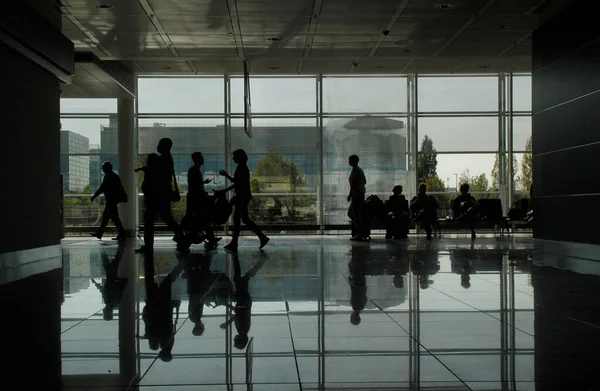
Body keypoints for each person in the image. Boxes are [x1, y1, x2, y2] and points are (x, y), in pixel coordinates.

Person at [213, 149, 269, 252]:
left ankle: (235, 243)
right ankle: (261, 237)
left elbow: (236, 183)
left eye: (234, 156)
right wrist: (225, 190)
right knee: (244, 219)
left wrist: (226, 176)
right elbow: (237, 183)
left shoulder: (241, 168)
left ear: (239, 157)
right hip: (244, 197)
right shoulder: (243, 167)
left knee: (237, 219)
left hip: (242, 197)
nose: (233, 158)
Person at [136, 138, 186, 253]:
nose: (158, 147)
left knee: (151, 220)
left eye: (160, 145)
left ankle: (149, 245)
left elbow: (157, 176)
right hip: (162, 195)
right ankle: (181, 237)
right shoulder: (167, 159)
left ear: (166, 146)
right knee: (166, 218)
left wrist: (148, 169)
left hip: (157, 196)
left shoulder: (163, 159)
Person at [219, 251, 269, 349]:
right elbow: (239, 313)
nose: (233, 339)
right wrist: (226, 306)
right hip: (243, 300)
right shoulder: (242, 329)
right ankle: (236, 256)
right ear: (240, 339)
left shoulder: (243, 330)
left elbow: (239, 315)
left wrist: (228, 320)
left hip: (244, 301)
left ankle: (260, 260)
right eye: (235, 341)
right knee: (240, 277)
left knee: (244, 277)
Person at [183, 152, 220, 248]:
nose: (203, 160)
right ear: (197, 160)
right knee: (203, 218)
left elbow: (194, 184)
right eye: (201, 158)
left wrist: (203, 183)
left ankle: (209, 238)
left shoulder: (194, 170)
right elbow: (195, 186)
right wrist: (204, 194)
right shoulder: (195, 170)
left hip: (194, 199)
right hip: (196, 200)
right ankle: (210, 238)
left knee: (201, 219)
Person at [90, 161, 127, 241]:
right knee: (114, 218)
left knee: (106, 218)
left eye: (103, 168)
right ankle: (122, 234)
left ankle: (100, 234)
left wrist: (94, 196)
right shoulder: (114, 176)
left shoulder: (108, 176)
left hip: (111, 201)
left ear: (106, 168)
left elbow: (102, 188)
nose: (102, 169)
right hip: (113, 200)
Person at [91, 243, 127, 321]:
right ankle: (103, 247)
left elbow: (104, 290)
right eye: (105, 312)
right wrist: (95, 284)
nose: (104, 311)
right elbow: (104, 290)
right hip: (111, 276)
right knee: (108, 259)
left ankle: (121, 246)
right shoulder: (111, 301)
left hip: (112, 276)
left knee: (115, 259)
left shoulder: (114, 302)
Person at [347, 154, 367, 241]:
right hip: (360, 194)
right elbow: (364, 181)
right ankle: (361, 232)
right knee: (355, 214)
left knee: (354, 214)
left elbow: (354, 185)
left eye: (350, 160)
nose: (348, 162)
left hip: (356, 195)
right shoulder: (359, 170)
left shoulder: (355, 171)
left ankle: (360, 233)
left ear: (354, 161)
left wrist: (350, 195)